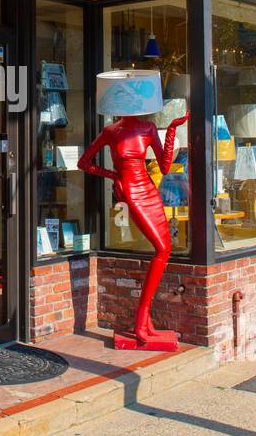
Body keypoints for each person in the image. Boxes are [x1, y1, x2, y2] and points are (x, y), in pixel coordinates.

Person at [78, 108, 190, 350]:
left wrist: (171, 130)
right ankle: (141, 320)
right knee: (162, 249)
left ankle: (145, 321)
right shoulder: (110, 131)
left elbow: (165, 167)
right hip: (131, 192)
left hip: (149, 189)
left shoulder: (148, 128)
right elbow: (84, 163)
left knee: (164, 249)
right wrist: (114, 177)